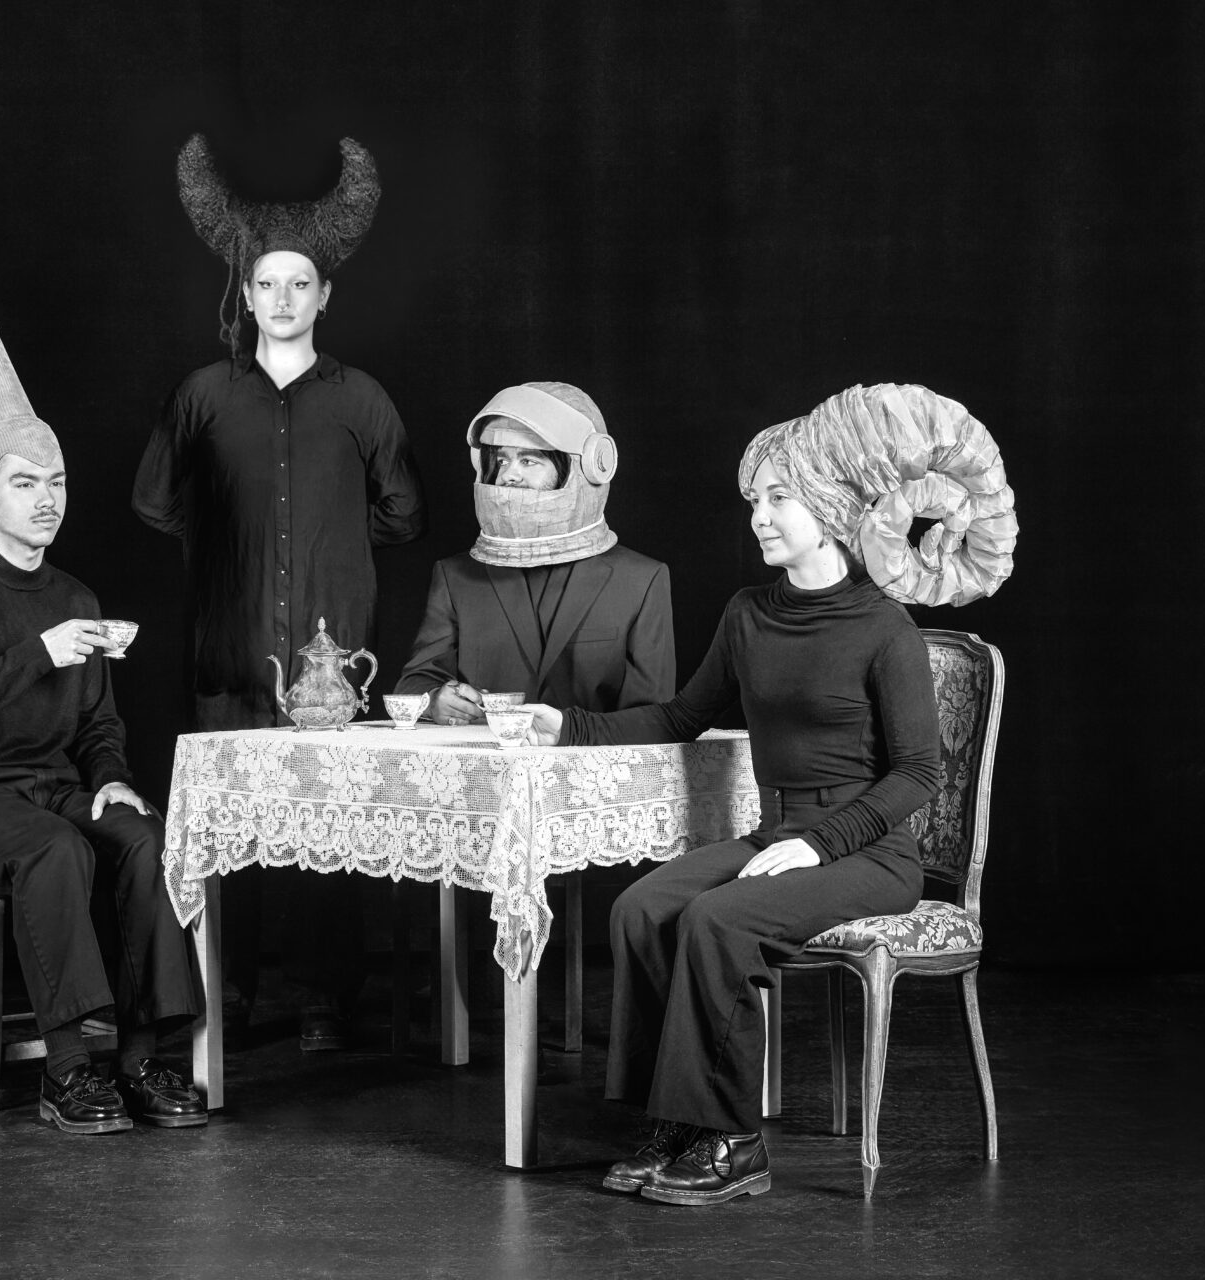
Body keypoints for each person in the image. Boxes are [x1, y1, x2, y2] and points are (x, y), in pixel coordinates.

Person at [522, 383, 1017, 1205]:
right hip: (778, 833)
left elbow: (918, 775)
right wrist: (568, 727)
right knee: (640, 909)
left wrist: (817, 845)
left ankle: (733, 1141)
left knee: (719, 921)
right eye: (754, 499)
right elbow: (683, 715)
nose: (759, 516)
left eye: (779, 498)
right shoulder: (748, 613)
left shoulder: (883, 627)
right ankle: (674, 1123)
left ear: (829, 505)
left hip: (868, 855)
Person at [0, 218, 205, 1136]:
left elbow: (98, 725)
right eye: (25, 483)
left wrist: (110, 775)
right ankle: (69, 1072)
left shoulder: (76, 594)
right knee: (54, 850)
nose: (46, 499)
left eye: (58, 481)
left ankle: (144, 1058)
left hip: (54, 786)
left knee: (144, 836)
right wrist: (40, 652)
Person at [134, 136, 425, 1050]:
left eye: (301, 284)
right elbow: (153, 501)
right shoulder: (202, 396)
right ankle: (228, 996)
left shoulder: (363, 400)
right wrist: (232, 546)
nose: (284, 299)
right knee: (230, 833)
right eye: (268, 284)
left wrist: (333, 543)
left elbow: (404, 513)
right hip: (229, 646)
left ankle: (326, 998)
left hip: (331, 669)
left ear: (325, 294)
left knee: (330, 833)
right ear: (247, 292)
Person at [393, 381, 674, 724]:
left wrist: (572, 732)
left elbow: (651, 719)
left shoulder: (640, 581)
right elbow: (414, 683)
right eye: (502, 460)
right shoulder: (456, 577)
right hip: (482, 758)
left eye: (529, 460)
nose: (508, 475)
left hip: (590, 759)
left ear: (586, 467)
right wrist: (434, 701)